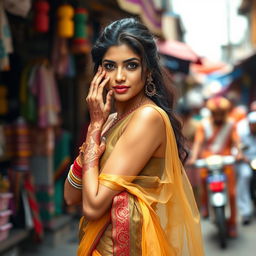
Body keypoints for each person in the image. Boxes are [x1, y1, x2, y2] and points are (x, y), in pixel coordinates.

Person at [64, 18, 204, 255]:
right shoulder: (108, 120)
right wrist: (94, 131)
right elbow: (70, 196)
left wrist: (94, 134)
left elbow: (94, 206)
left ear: (147, 69)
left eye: (130, 66)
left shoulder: (147, 118)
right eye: (110, 66)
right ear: (99, 71)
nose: (119, 76)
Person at [188, 96, 239, 237]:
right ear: (211, 113)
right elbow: (198, 143)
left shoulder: (231, 124)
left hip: (226, 160)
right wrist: (193, 158)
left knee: (233, 193)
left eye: (221, 113)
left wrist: (239, 153)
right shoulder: (203, 125)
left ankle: (233, 223)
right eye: (216, 113)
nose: (218, 116)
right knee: (203, 180)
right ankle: (204, 205)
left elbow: (236, 142)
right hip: (208, 159)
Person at [236, 106, 256, 225]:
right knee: (245, 176)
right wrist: (242, 156)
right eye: (252, 124)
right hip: (246, 161)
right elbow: (237, 148)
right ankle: (245, 211)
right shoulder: (241, 132)